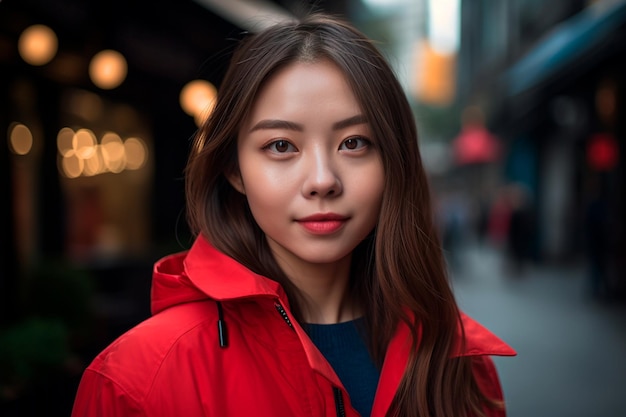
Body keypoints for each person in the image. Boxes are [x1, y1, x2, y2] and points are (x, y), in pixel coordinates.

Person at [71, 13, 515, 417]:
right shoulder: (137, 383)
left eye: (354, 143)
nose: (322, 180)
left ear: (394, 162)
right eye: (281, 146)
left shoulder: (458, 362)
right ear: (234, 169)